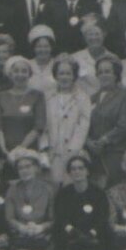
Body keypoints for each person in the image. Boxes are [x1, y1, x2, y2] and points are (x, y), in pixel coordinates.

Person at [5, 148, 56, 250]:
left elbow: (53, 218)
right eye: (20, 168)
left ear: (36, 168)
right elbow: (9, 217)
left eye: (28, 166)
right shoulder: (13, 189)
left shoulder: (48, 188)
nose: (24, 170)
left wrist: (41, 227)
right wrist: (22, 227)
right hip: (21, 237)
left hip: (43, 238)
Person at [43, 54, 95, 183]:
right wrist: (44, 147)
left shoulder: (83, 97)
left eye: (68, 73)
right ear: (56, 75)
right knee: (52, 185)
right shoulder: (47, 97)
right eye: (61, 73)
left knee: (70, 184)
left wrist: (73, 149)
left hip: (73, 152)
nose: (64, 77)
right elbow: (42, 124)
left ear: (74, 76)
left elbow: (83, 124)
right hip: (51, 151)